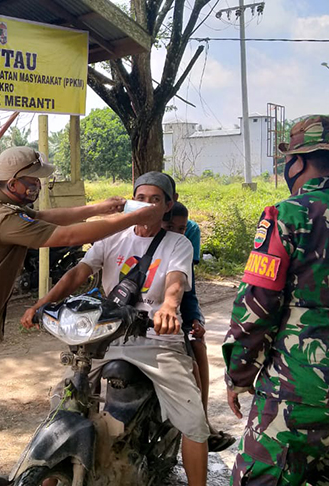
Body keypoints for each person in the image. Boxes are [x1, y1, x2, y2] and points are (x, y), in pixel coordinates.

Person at [0, 147, 164, 486]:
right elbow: (67, 236)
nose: (38, 187)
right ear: (14, 183)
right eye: (33, 181)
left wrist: (100, 209)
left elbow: (48, 218)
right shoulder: (1, 218)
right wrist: (133, 218)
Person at [223, 115, 329, 485]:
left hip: (301, 386)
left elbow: (256, 305)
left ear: (298, 161)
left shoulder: (288, 215)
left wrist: (239, 374)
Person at [21, 171, 209, 486]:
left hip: (157, 339)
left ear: (168, 205)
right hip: (107, 337)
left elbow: (176, 283)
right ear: (132, 201)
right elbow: (77, 274)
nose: (147, 206)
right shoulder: (111, 236)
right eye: (142, 199)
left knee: (194, 423)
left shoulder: (178, 243)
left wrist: (168, 307)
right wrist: (43, 304)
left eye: (155, 200)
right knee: (65, 400)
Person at [162, 201, 235, 453]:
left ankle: (202, 421)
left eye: (181, 228)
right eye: (169, 226)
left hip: (172, 322)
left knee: (197, 348)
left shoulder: (182, 246)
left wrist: (195, 320)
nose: (176, 232)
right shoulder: (130, 241)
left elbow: (187, 292)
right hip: (135, 324)